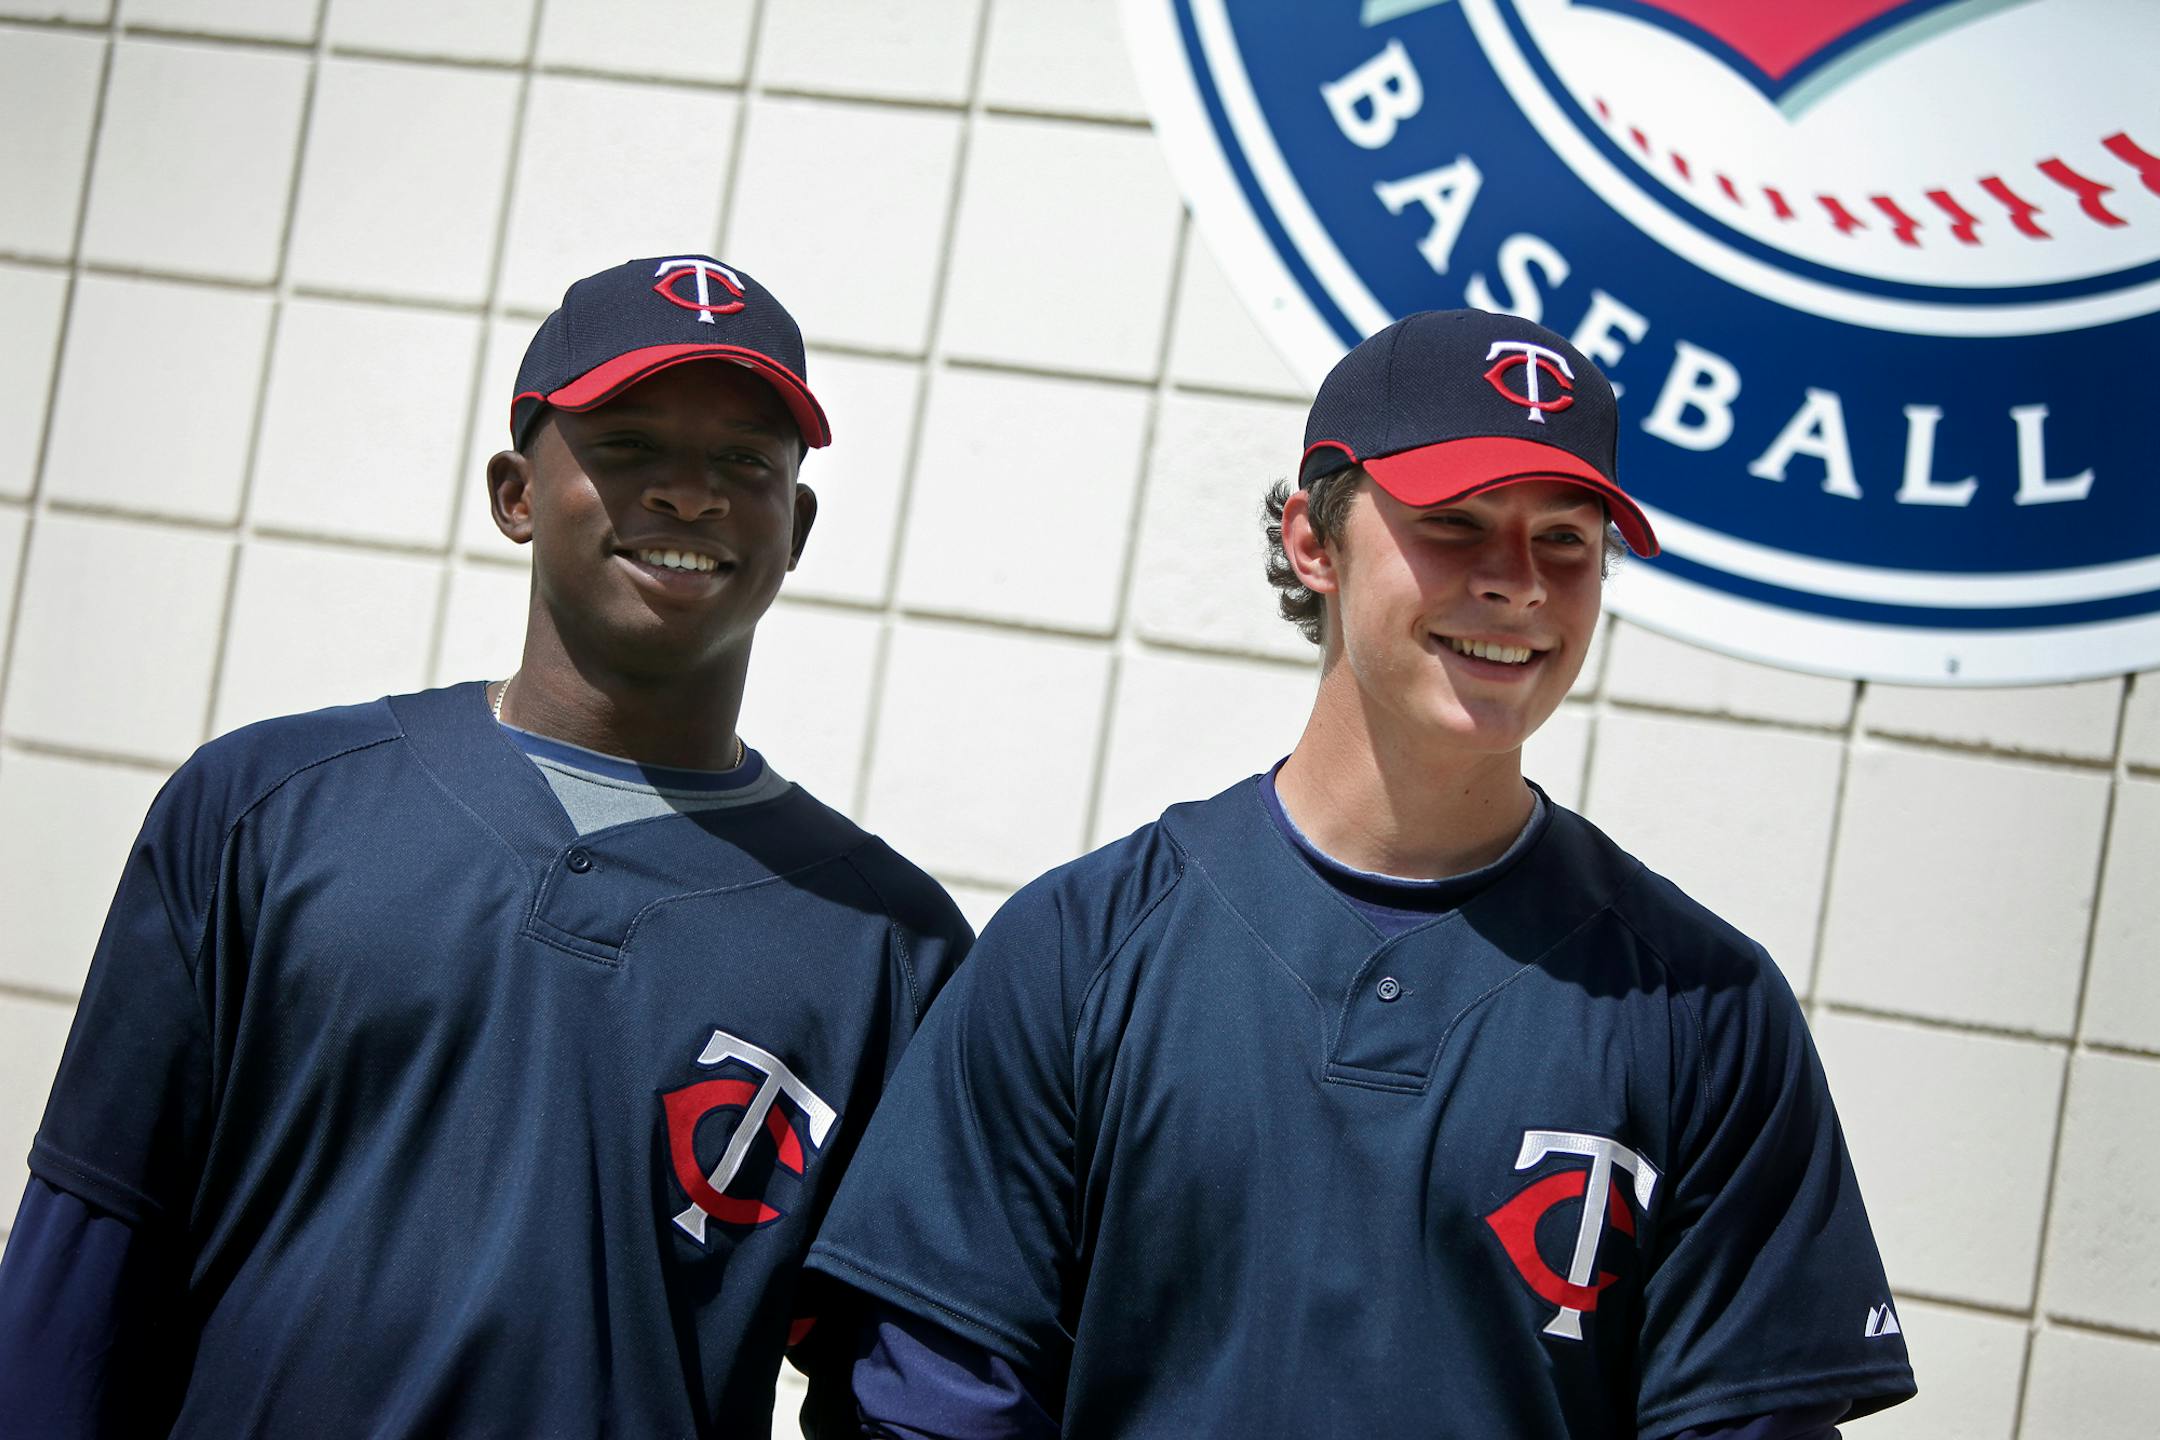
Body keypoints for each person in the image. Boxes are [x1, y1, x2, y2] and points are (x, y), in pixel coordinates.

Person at [804, 310, 1917, 1438]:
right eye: (1455, 523)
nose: (1518, 583)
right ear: (1312, 541)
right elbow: (935, 1407)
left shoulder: (1703, 1007)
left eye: (1567, 539)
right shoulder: (1079, 947)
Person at [0, 255, 971, 1438]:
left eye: (744, 464)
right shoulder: (267, 808)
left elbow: (899, 1393)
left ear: (798, 525)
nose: (692, 495)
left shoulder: (895, 952)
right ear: (516, 492)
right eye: (628, 447)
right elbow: (90, 1260)